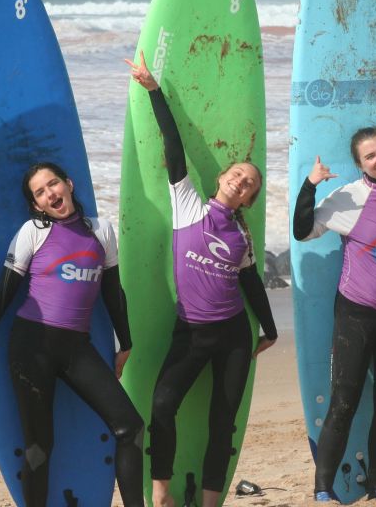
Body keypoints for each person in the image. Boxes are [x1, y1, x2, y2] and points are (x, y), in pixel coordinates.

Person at [125, 52, 278, 507]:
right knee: (162, 407)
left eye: (249, 183)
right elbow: (174, 148)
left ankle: (211, 503)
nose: (241, 182)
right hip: (190, 332)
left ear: (249, 198)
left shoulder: (242, 234)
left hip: (232, 335)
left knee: (222, 422)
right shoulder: (187, 203)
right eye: (237, 174)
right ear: (221, 177)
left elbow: (251, 285)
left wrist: (269, 330)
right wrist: (154, 91)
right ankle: (162, 495)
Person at [0, 161, 144, 507]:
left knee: (131, 427)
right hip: (30, 346)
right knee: (39, 447)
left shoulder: (102, 232)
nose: (50, 193)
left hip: (76, 348)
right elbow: (5, 291)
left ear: (69, 183)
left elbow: (113, 292)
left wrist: (125, 342)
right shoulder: (33, 232)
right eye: (40, 192)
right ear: (36, 205)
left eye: (53, 184)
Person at [292, 129, 376, 504]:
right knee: (345, 400)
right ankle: (323, 488)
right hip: (355, 313)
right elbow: (303, 231)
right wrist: (310, 184)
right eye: (370, 156)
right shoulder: (349, 198)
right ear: (360, 164)